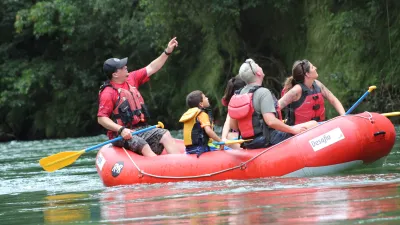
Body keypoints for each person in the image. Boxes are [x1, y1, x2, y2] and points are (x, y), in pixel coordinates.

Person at [97, 37, 180, 157]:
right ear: (115, 74)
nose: (126, 66)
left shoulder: (131, 78)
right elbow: (101, 119)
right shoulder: (108, 92)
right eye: (122, 67)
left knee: (165, 134)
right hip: (120, 134)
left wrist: (167, 52)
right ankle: (158, 168)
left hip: (141, 128)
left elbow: (152, 67)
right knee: (141, 144)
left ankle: (179, 165)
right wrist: (121, 129)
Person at [228, 59, 318, 149]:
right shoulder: (263, 93)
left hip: (249, 143)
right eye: (258, 65)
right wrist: (292, 130)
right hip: (267, 140)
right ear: (258, 73)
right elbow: (271, 121)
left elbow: (234, 126)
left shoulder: (237, 95)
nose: (260, 66)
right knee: (313, 124)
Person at [279, 59, 345, 125]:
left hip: (318, 127)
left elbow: (333, 99)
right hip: (299, 131)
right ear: (307, 74)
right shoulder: (296, 91)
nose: (315, 68)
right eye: (312, 67)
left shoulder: (318, 84)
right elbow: (277, 107)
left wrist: (343, 115)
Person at [179, 90, 222, 157]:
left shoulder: (190, 115)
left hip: (189, 149)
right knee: (229, 150)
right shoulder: (202, 114)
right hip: (201, 149)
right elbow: (208, 131)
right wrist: (220, 141)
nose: (207, 98)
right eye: (205, 97)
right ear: (201, 104)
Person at [220, 75, 246, 149]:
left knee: (230, 136)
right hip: (241, 136)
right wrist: (223, 139)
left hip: (248, 135)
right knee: (229, 136)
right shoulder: (234, 104)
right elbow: (227, 123)